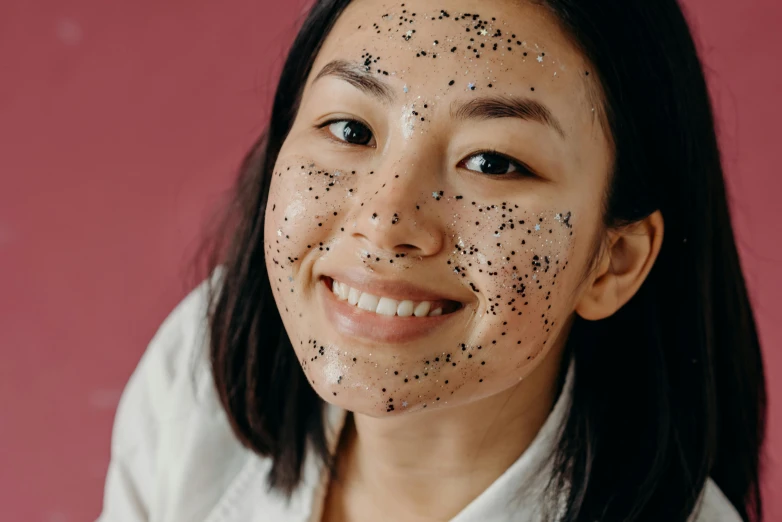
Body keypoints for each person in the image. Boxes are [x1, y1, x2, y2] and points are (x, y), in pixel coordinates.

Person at [97, 0, 768, 521]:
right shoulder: (199, 375)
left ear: (612, 260)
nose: (386, 222)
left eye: (493, 162)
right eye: (351, 129)